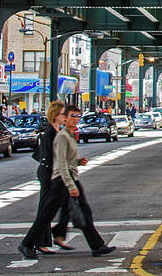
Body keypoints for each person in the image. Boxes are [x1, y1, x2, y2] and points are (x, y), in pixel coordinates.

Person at [19, 106, 115, 259]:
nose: (76, 118)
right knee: (46, 214)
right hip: (62, 180)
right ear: (66, 118)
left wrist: (77, 162)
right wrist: (70, 185)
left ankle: (97, 245)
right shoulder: (62, 137)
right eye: (72, 116)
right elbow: (61, 164)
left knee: (84, 212)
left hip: (69, 178)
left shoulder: (69, 135)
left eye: (78, 116)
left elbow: (67, 161)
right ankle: (27, 243)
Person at [31, 100, 70, 254]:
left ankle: (46, 240)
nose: (65, 116)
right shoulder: (49, 133)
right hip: (48, 173)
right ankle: (36, 242)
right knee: (45, 209)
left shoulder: (57, 131)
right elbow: (48, 157)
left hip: (53, 172)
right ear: (55, 116)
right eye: (63, 114)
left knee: (54, 207)